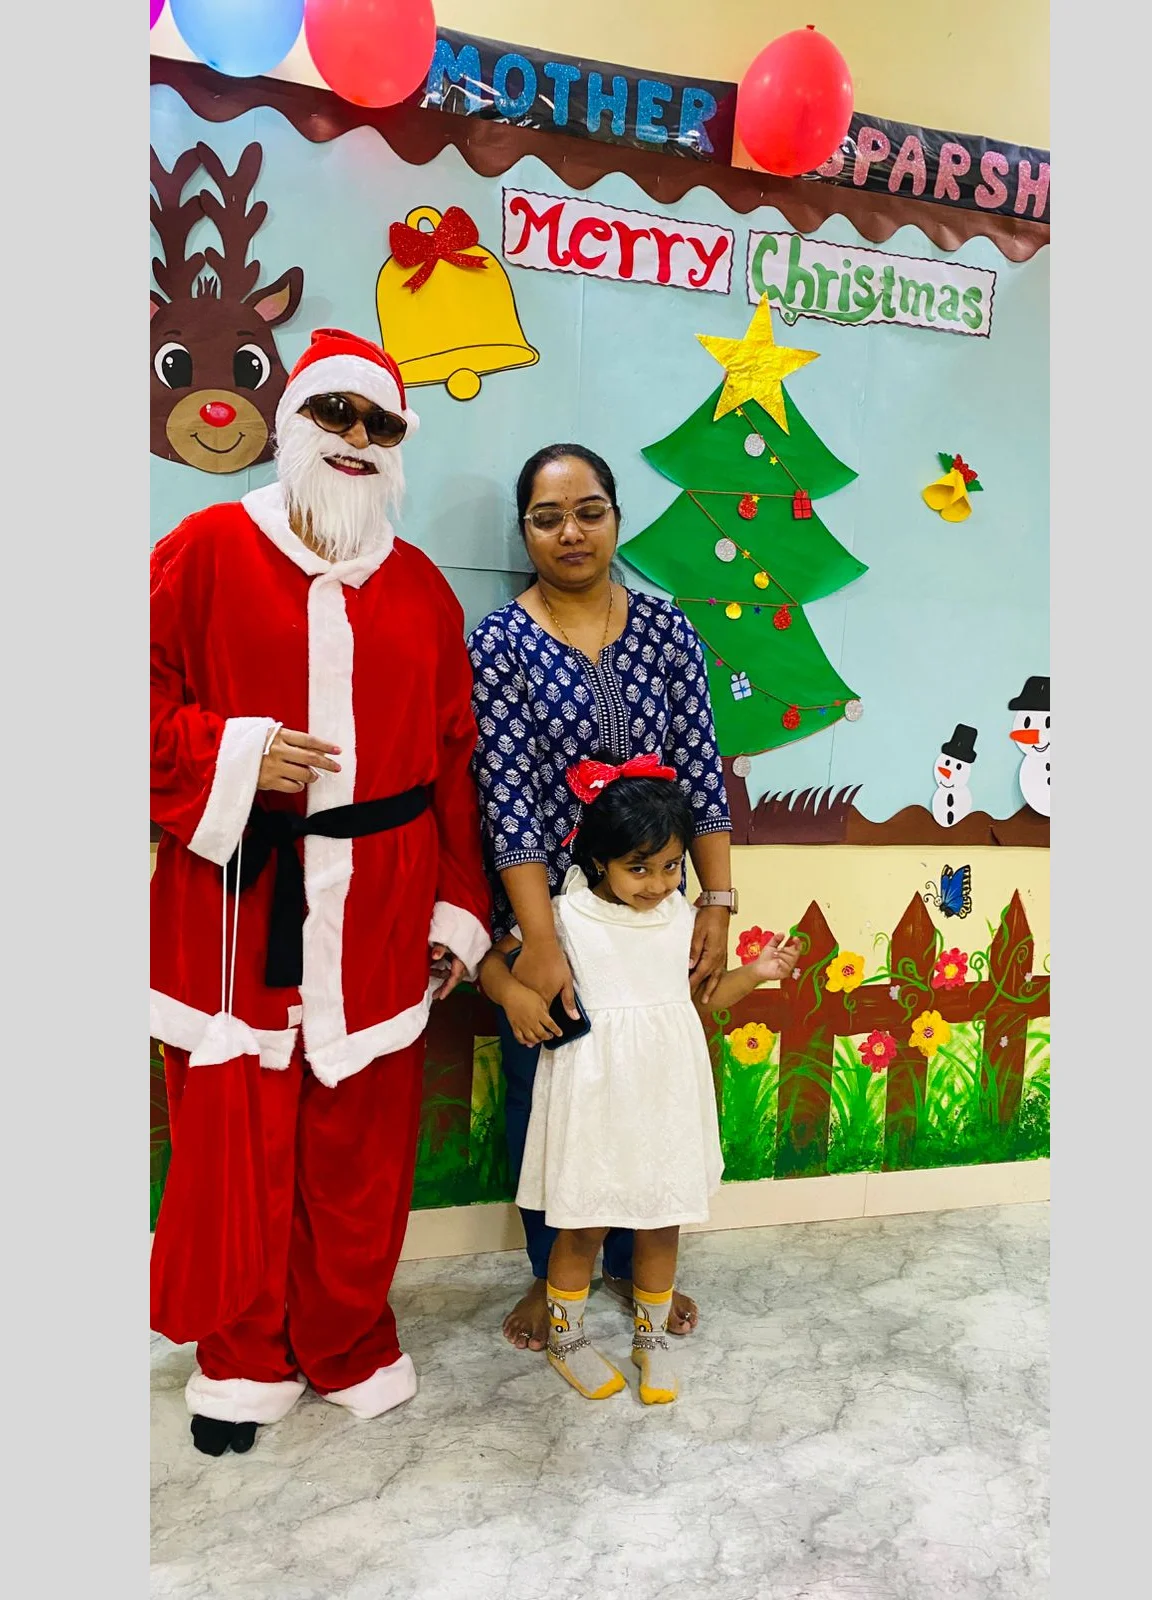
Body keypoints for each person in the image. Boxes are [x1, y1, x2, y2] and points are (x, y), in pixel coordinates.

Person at [150, 328, 492, 1457]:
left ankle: (346, 1340)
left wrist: (456, 908)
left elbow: (455, 763)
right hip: (239, 900)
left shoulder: (422, 588)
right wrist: (237, 754)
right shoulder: (204, 549)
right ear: (292, 421)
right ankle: (243, 1357)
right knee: (236, 1142)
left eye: (379, 423)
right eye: (335, 412)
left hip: (382, 905)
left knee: (360, 1147)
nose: (355, 437)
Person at [467, 445, 737, 1352]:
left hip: (653, 905)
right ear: (526, 532)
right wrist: (540, 942)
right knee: (550, 1088)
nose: (571, 532)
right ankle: (554, 1274)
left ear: (617, 517)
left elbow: (700, 768)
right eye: (547, 518)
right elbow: (505, 797)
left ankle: (633, 1263)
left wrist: (715, 900)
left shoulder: (665, 628)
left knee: (647, 1083)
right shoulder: (499, 644)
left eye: (589, 512)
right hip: (547, 910)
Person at [480, 758, 800, 1404]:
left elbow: (703, 999)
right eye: (640, 868)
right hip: (595, 1096)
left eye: (672, 866)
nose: (658, 884)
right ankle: (568, 1339)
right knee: (583, 1223)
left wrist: (757, 973)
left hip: (665, 1096)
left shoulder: (681, 918)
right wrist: (515, 997)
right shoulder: (565, 915)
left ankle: (649, 1340)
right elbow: (493, 964)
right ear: (599, 860)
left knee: (662, 1220)